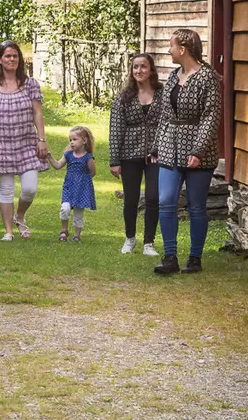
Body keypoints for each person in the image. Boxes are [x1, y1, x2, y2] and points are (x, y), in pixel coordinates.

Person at [149, 29, 222, 275]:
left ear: (183, 49)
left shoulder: (208, 78)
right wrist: (157, 146)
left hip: (198, 151)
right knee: (166, 201)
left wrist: (199, 150)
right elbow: (164, 116)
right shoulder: (173, 76)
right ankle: (170, 257)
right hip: (170, 146)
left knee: (196, 206)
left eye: (171, 46)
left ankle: (195, 258)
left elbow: (211, 117)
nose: (168, 50)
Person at [0, 41, 49, 241]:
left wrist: (41, 139)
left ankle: (20, 215)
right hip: (1, 144)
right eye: (7, 56)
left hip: (27, 143)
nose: (11, 60)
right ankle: (8, 231)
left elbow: (37, 112)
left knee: (30, 188)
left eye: (15, 56)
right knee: (6, 190)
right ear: (0, 59)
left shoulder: (30, 84)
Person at [109, 53, 163, 256]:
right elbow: (115, 129)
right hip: (129, 154)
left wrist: (159, 148)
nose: (139, 71)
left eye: (143, 67)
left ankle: (149, 242)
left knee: (153, 197)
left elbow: (166, 124)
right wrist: (115, 160)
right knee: (131, 199)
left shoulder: (162, 94)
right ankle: (130, 239)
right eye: (135, 67)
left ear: (151, 70)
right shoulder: (124, 97)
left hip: (156, 154)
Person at [49, 126, 97, 243]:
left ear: (84, 141)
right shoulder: (68, 155)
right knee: (65, 208)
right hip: (69, 187)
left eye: (75, 139)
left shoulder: (88, 157)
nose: (71, 142)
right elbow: (58, 165)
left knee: (78, 214)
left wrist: (84, 181)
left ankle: (77, 235)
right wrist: (49, 157)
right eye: (70, 140)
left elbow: (93, 172)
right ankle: (64, 230)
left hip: (82, 188)